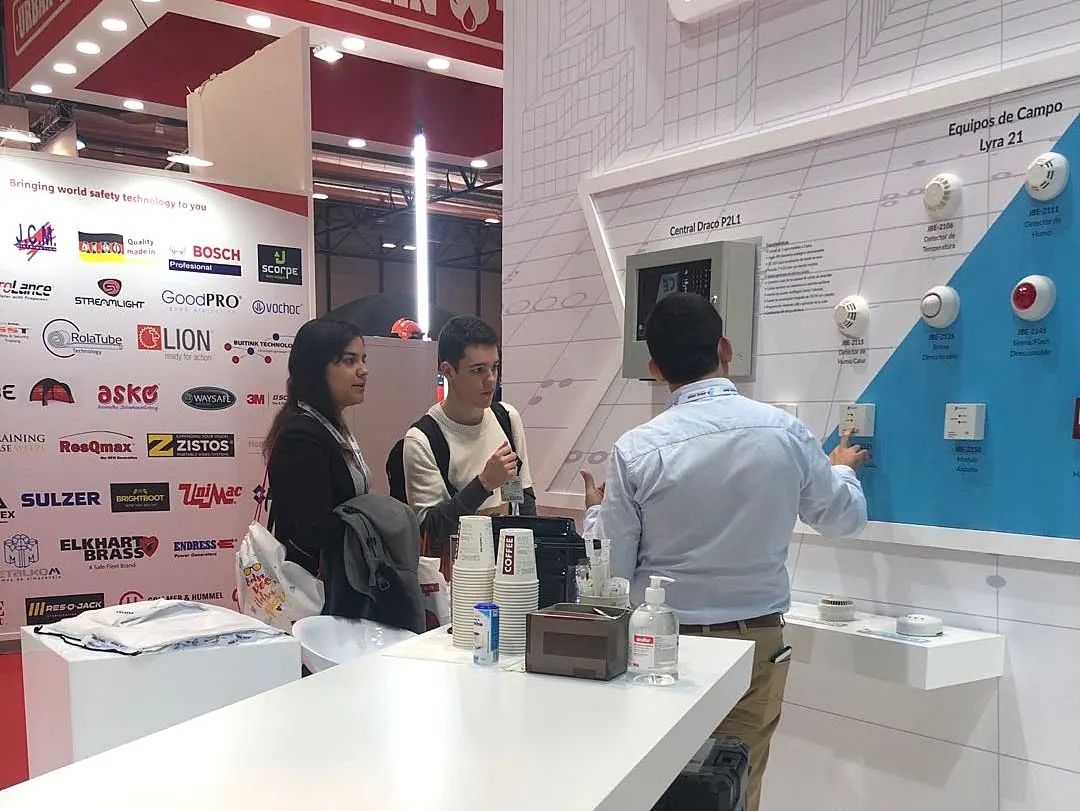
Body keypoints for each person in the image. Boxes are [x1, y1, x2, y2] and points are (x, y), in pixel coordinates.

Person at [580, 292, 869, 811]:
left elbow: (614, 571)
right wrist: (843, 470)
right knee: (735, 786)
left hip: (660, 644)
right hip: (755, 643)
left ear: (655, 369)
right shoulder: (784, 432)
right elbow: (843, 519)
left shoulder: (637, 449)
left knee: (659, 786)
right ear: (725, 349)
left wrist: (596, 514)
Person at [402, 315, 535, 553]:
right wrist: (484, 484)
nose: (490, 380)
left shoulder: (507, 418)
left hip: (506, 560)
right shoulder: (422, 439)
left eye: (495, 367)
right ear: (448, 371)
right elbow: (430, 530)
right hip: (456, 567)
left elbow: (523, 498)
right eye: (478, 370)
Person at [262, 317, 372, 592]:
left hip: (341, 582)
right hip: (313, 590)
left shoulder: (330, 426)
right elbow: (314, 530)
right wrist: (374, 519)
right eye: (350, 361)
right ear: (316, 369)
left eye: (363, 359)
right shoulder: (301, 436)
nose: (363, 370)